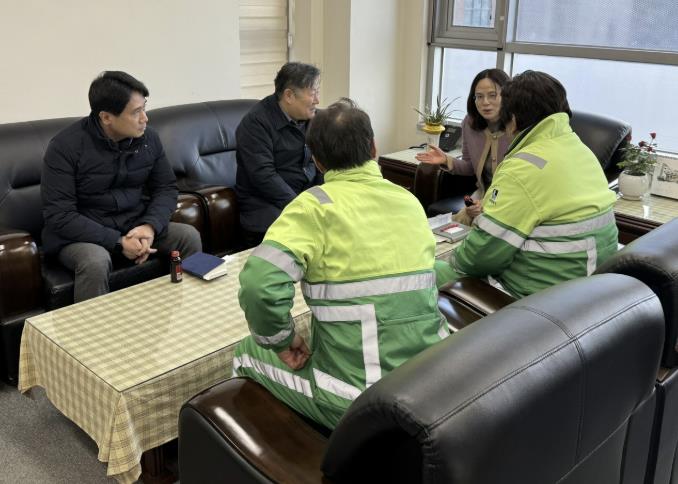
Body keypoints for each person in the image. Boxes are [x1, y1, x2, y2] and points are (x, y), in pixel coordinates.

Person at [233, 99, 449, 429]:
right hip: (430, 381)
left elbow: (258, 285)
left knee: (246, 351)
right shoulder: (408, 201)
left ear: (317, 161)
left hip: (361, 397)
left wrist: (283, 341)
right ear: (373, 147)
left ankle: (290, 452)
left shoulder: (311, 207)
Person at [435, 70, 618, 298]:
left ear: (512, 118)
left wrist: (450, 261)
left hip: (537, 295)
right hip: (590, 285)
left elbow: (481, 257)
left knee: (429, 270)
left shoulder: (523, 168)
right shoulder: (581, 151)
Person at [41, 71, 202, 303]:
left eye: (144, 108)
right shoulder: (64, 147)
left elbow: (165, 187)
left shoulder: (149, 139)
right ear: (106, 117)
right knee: (95, 261)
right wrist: (118, 242)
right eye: (136, 112)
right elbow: (60, 215)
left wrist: (150, 226)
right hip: (82, 236)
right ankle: (91, 326)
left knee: (188, 236)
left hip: (134, 225)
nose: (145, 118)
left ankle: (191, 309)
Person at [235, 62, 324, 247]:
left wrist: (326, 197)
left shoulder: (312, 118)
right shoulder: (255, 124)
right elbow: (263, 176)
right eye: (312, 93)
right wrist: (301, 206)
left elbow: (323, 162)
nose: (317, 100)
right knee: (299, 235)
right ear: (289, 96)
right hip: (265, 203)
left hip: (304, 196)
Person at [415, 68, 512, 224]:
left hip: (510, 199)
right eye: (479, 96)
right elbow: (469, 166)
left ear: (507, 96)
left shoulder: (518, 127)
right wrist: (445, 159)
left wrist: (486, 204)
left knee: (480, 224)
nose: (485, 102)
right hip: (482, 194)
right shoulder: (470, 123)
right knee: (452, 225)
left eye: (492, 95)